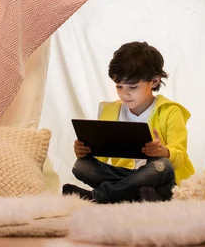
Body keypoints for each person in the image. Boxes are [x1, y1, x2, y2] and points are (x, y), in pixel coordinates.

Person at [62, 41, 195, 203]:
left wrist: (164, 151)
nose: (125, 94)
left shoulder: (170, 111)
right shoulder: (109, 111)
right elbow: (100, 160)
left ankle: (98, 197)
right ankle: (139, 195)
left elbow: (180, 158)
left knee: (162, 166)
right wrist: (84, 151)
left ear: (154, 81)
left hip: (157, 176)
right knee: (81, 166)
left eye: (132, 87)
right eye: (119, 86)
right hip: (125, 175)